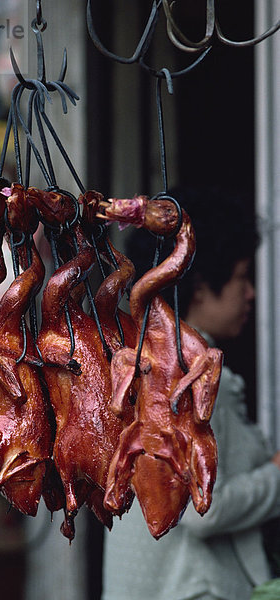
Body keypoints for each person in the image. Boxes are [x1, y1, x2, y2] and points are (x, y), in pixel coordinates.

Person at [102, 186, 280, 600]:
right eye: (240, 278)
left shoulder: (153, 362)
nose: (250, 293)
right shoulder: (189, 373)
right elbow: (205, 511)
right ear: (199, 286)